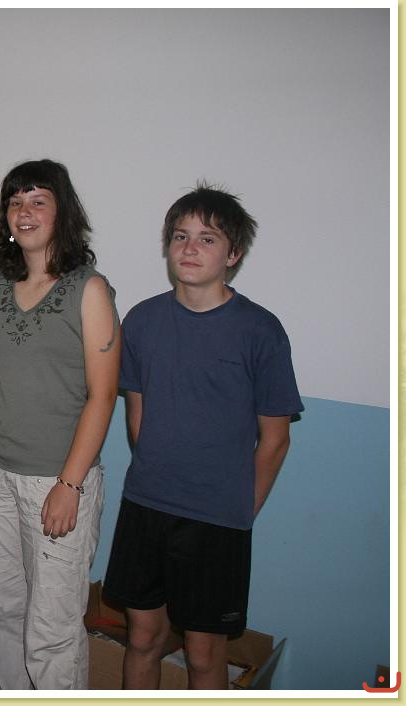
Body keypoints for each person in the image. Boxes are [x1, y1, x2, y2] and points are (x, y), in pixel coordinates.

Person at [103, 183, 303, 689]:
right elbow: (137, 415)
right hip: (146, 506)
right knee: (142, 637)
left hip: (217, 521)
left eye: (207, 239)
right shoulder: (143, 320)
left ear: (233, 254)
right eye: (180, 236)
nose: (190, 248)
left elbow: (275, 439)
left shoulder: (259, 330)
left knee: (202, 652)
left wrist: (239, 511)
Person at [0, 159, 120, 689]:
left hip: (57, 481)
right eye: (15, 201)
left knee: (52, 628)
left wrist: (70, 484)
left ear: (62, 212)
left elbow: (103, 395)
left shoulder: (89, 289)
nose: (24, 212)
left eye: (38, 200)